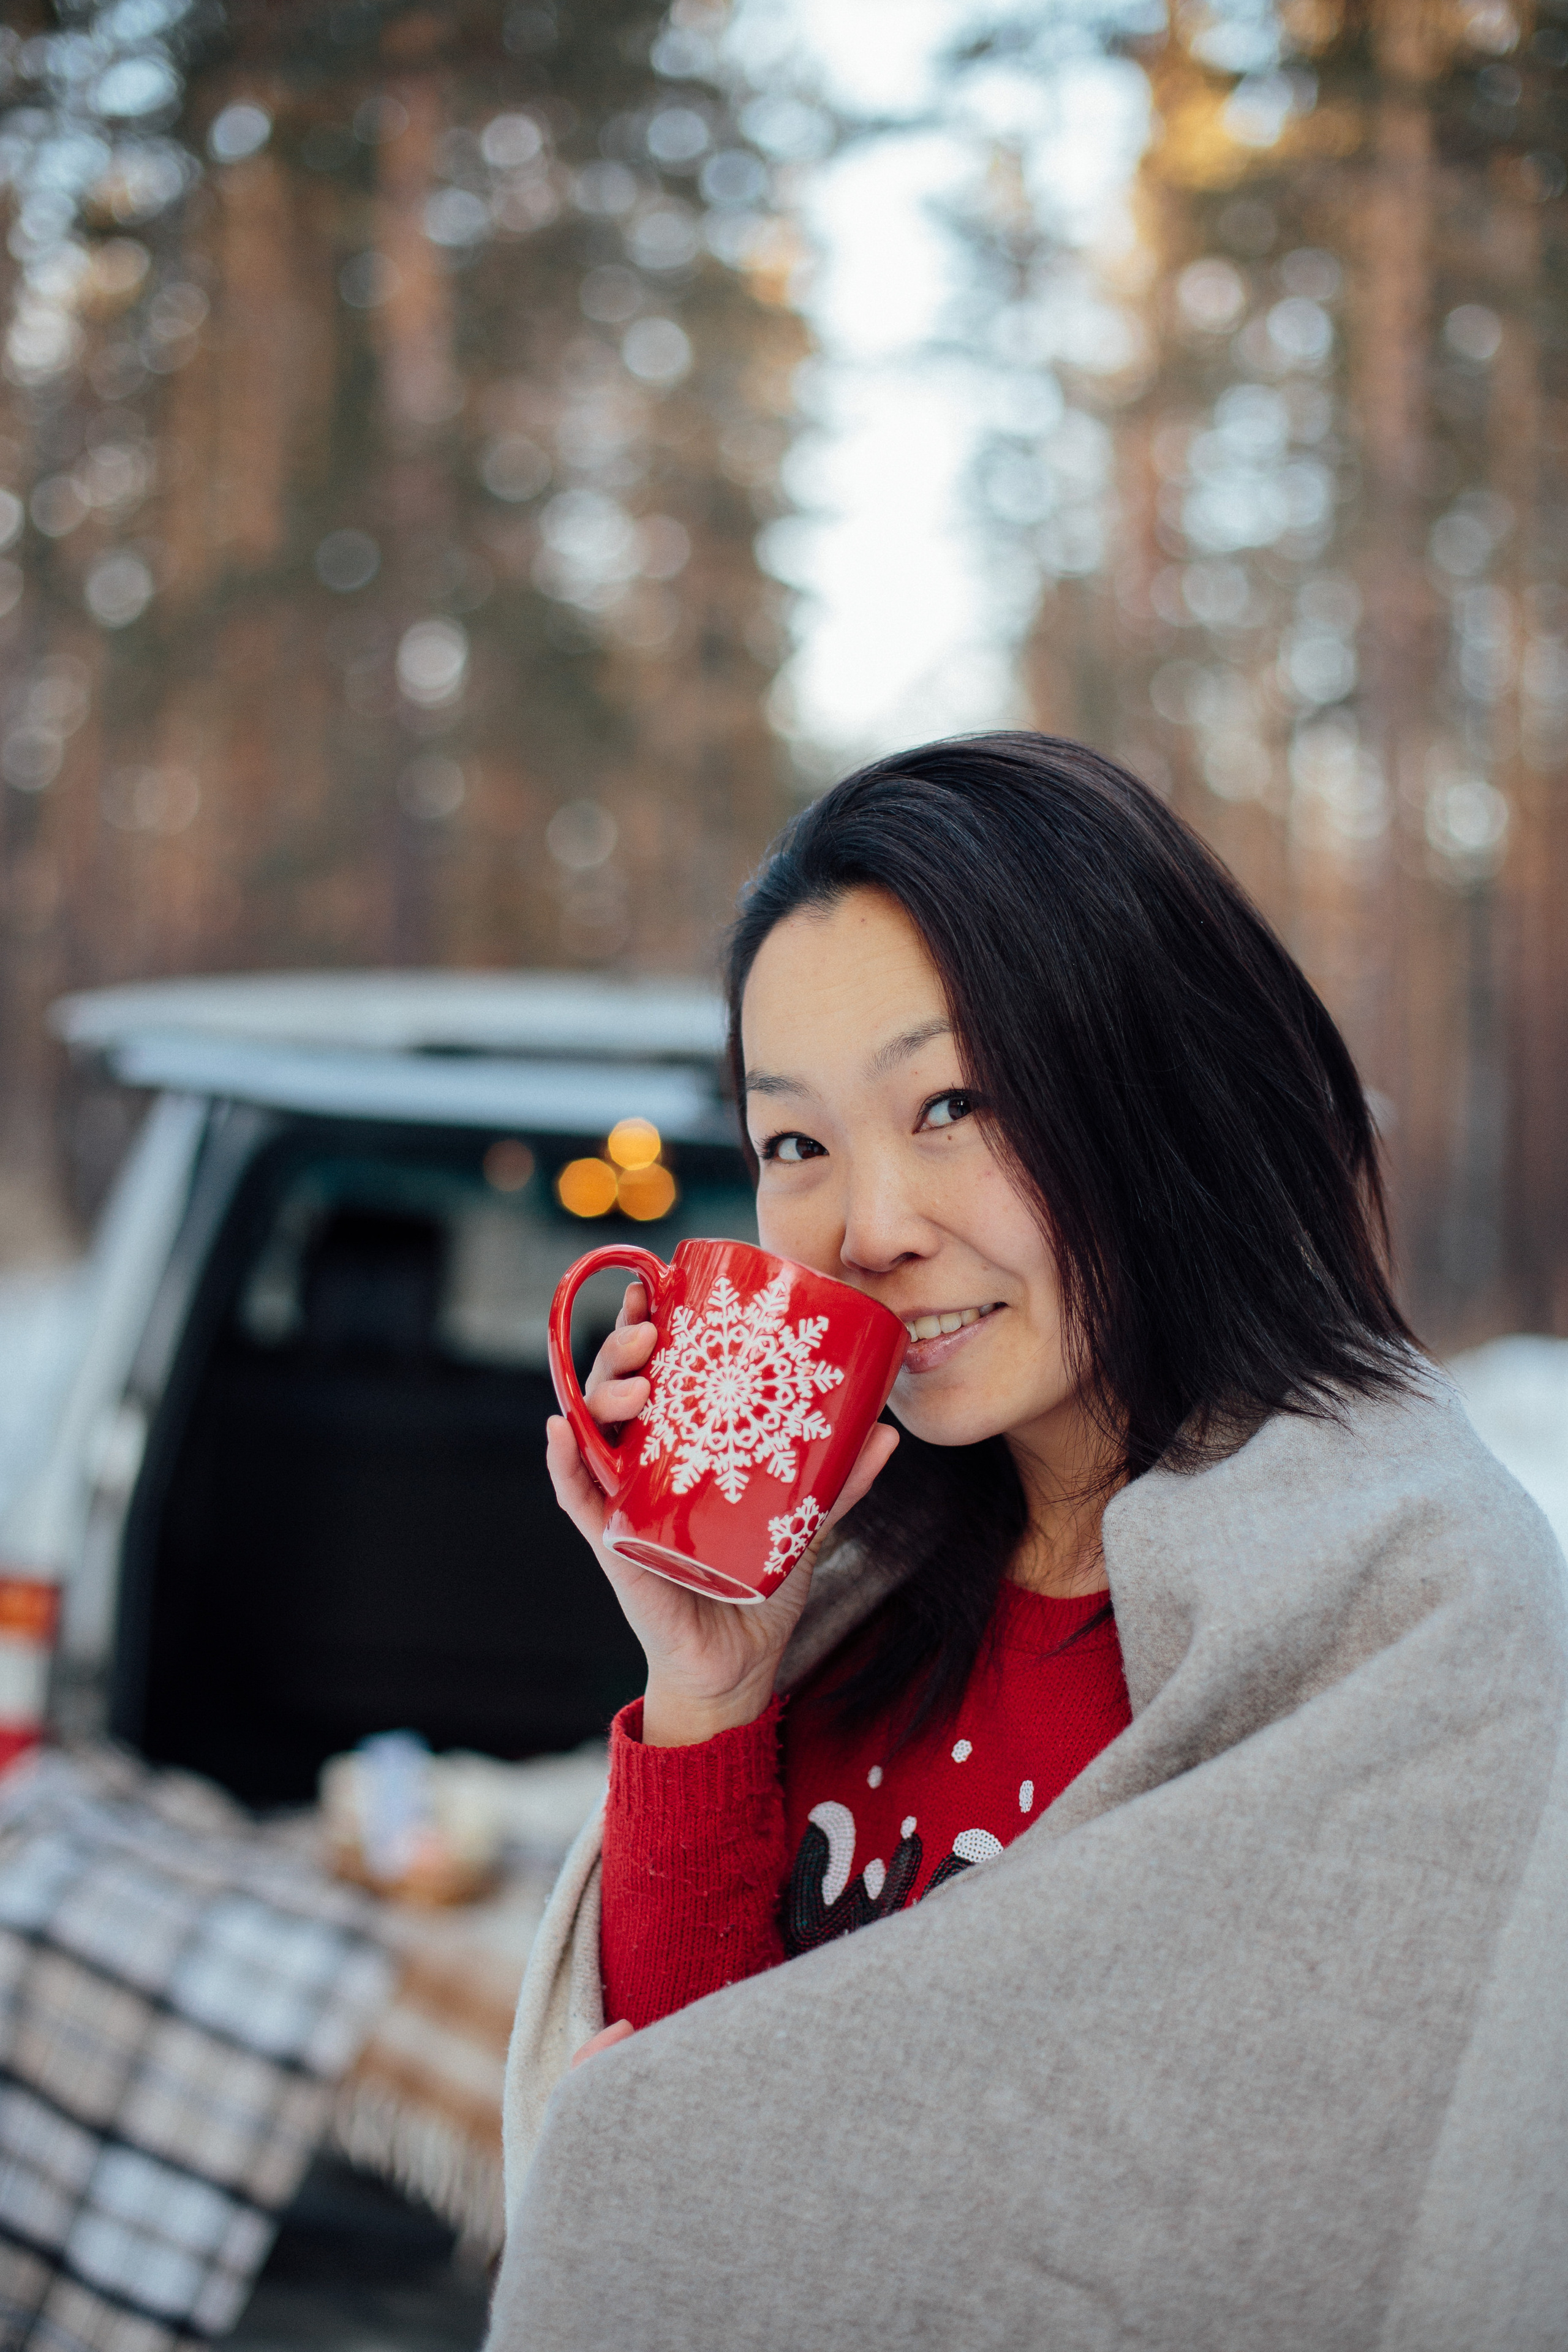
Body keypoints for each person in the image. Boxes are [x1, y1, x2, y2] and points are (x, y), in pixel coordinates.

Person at [488, 735, 1568, 2352]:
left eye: (954, 1105)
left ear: (1151, 1087)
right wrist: (709, 1679)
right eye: (797, 1142)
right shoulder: (866, 1596)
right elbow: (682, 2156)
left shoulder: (1407, 1619)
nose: (868, 1226)